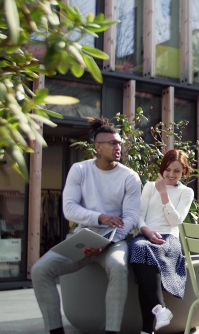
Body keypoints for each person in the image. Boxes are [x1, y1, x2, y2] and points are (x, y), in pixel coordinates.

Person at [31, 117, 141, 334]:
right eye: (112, 143)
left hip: (115, 240)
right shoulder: (80, 170)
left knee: (118, 267)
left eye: (119, 143)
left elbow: (130, 218)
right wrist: (100, 217)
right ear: (98, 147)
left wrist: (105, 244)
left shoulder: (130, 177)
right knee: (40, 270)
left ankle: (112, 331)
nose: (118, 147)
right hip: (83, 236)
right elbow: (69, 209)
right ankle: (55, 330)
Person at [129, 149, 194, 334]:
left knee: (145, 265)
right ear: (162, 168)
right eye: (168, 169)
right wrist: (147, 231)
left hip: (169, 238)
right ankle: (160, 309)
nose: (171, 175)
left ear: (184, 172)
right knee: (140, 249)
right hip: (146, 235)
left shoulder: (186, 192)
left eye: (177, 171)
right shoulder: (149, 186)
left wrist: (164, 193)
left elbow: (176, 221)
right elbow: (139, 216)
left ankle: (146, 330)